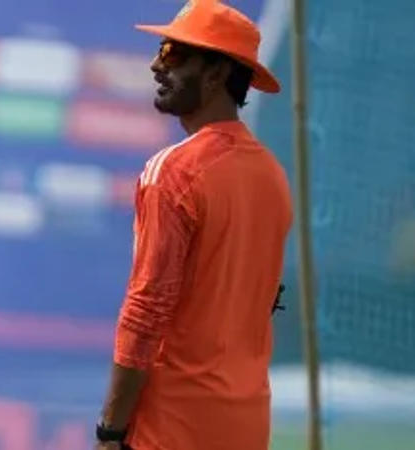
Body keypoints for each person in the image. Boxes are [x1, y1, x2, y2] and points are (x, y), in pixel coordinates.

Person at [95, 1, 292, 449]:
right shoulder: (273, 177)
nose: (155, 64)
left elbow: (146, 312)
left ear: (217, 74)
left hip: (173, 428)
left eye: (173, 53)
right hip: (246, 425)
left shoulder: (174, 172)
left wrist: (111, 430)